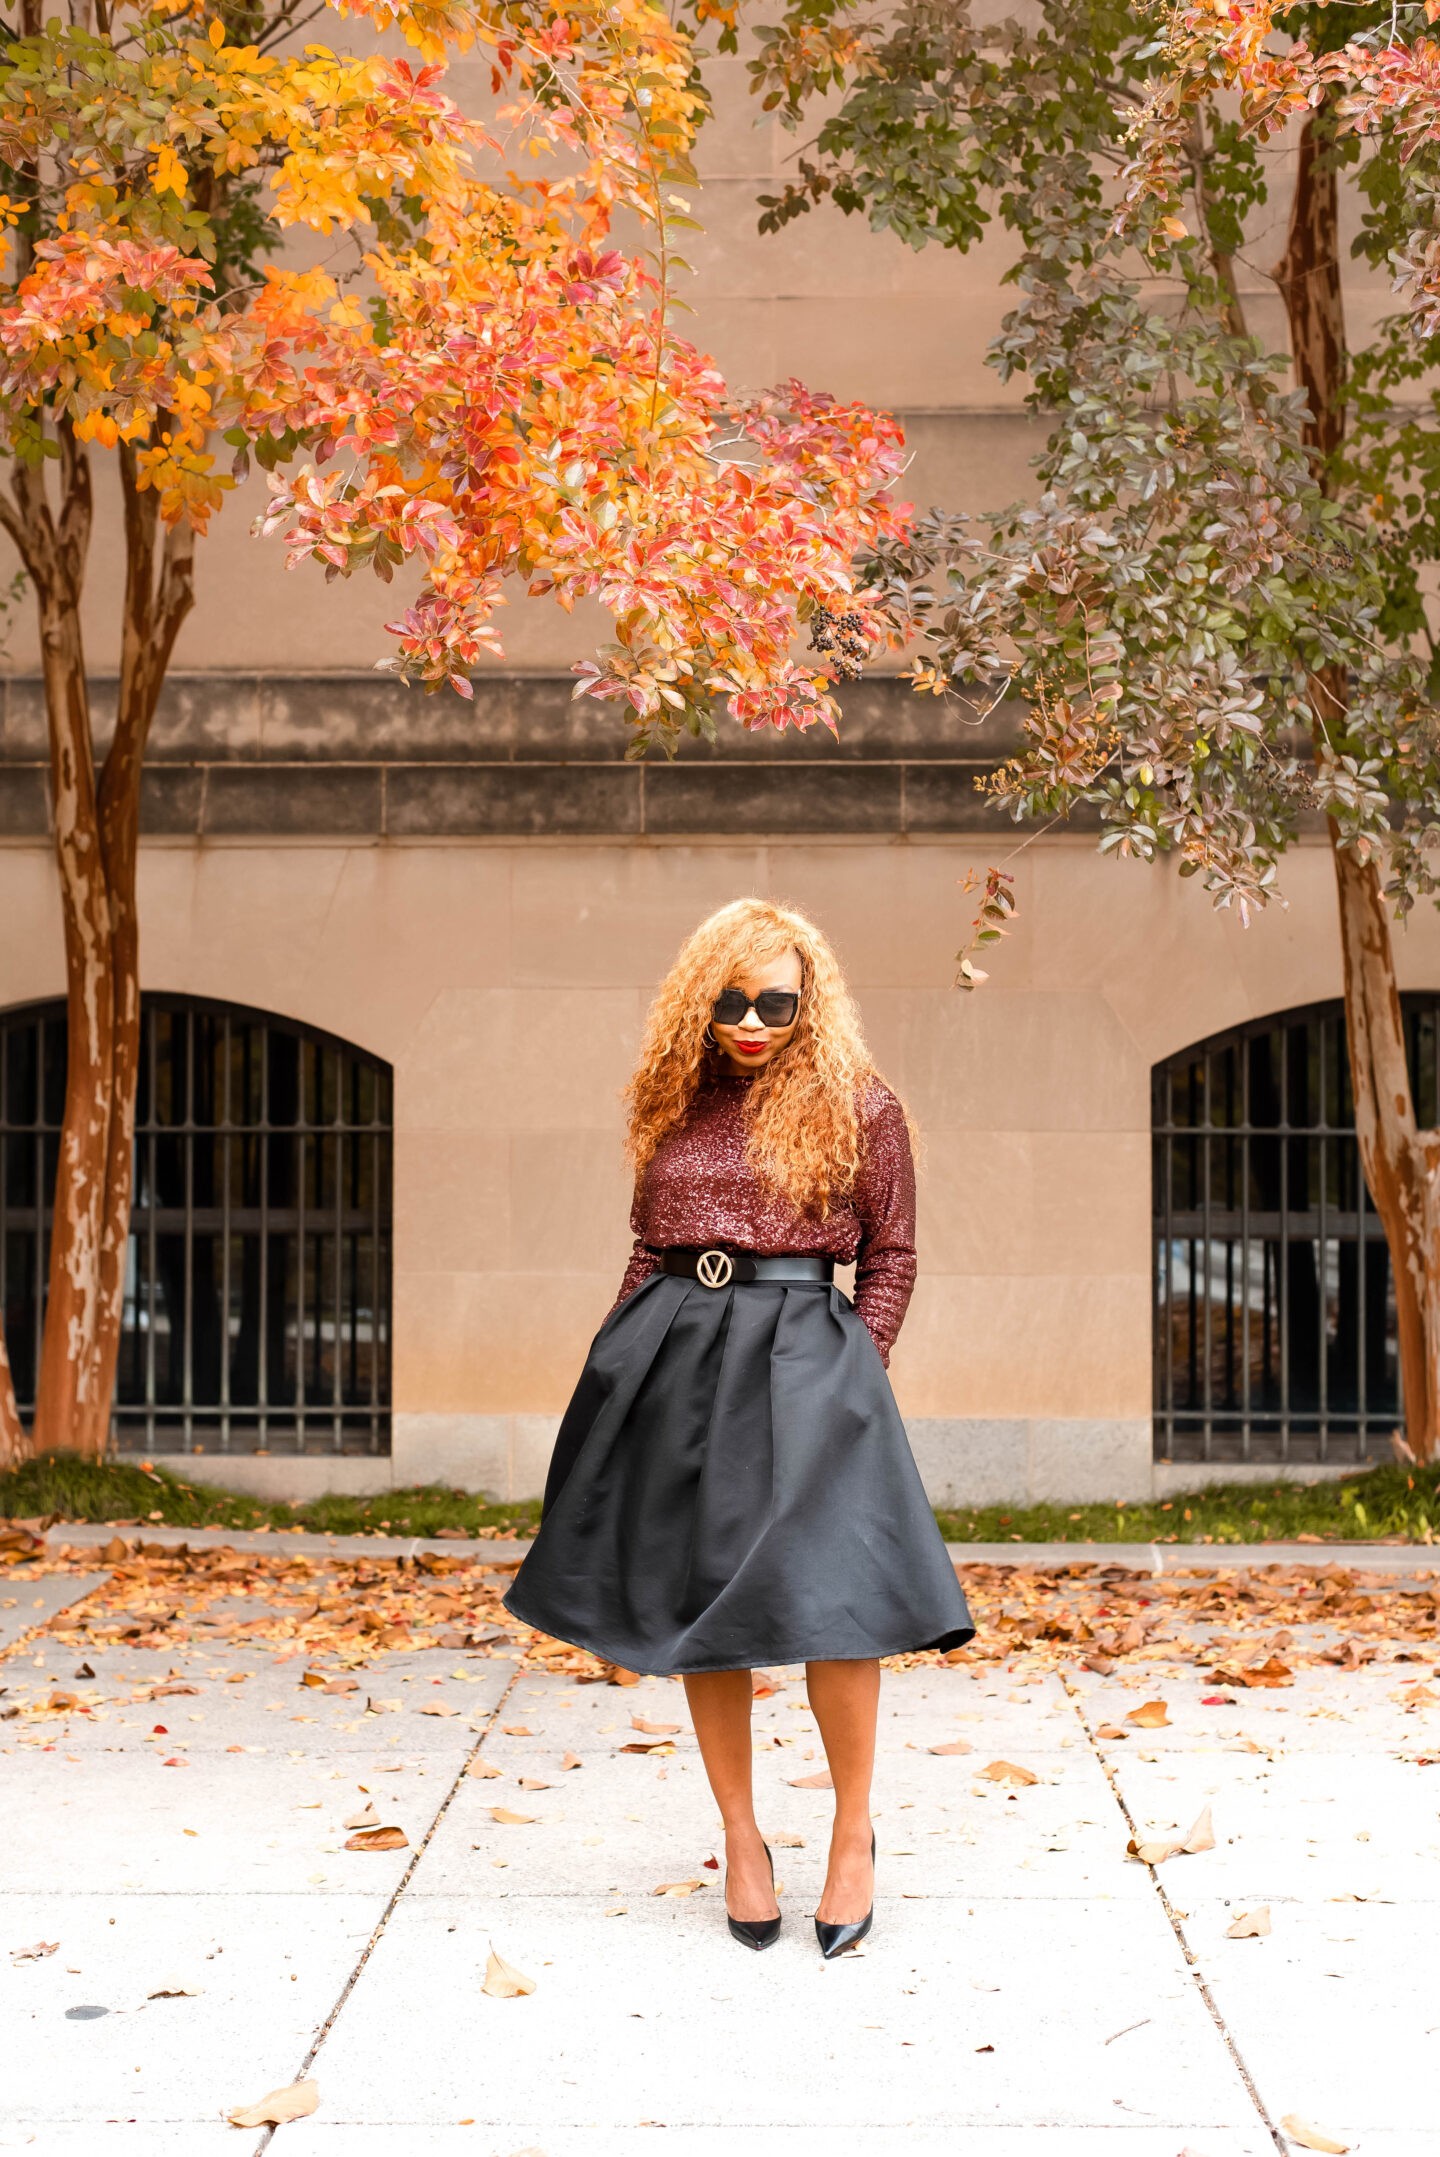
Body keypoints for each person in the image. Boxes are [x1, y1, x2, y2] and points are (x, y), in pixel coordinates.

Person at [503, 898, 973, 1957]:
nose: (753, 1021)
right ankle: (743, 1839)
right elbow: (644, 1240)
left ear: (810, 1004)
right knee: (704, 1598)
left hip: (807, 1355)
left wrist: (862, 1359)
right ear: (699, 998)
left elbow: (889, 1253)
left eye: (775, 1002)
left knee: (834, 1602)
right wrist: (618, 1352)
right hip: (676, 1352)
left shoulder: (861, 1102)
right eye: (732, 999)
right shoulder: (674, 1098)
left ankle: (852, 1834)